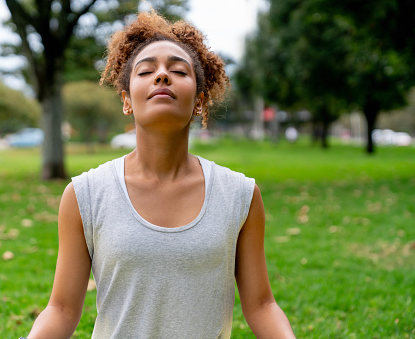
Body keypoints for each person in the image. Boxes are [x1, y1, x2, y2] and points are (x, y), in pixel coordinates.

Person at [22, 11, 295, 339]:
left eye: (179, 70)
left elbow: (262, 305)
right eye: (147, 70)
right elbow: (62, 309)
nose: (162, 76)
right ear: (127, 101)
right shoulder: (85, 195)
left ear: (199, 101)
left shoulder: (240, 195)